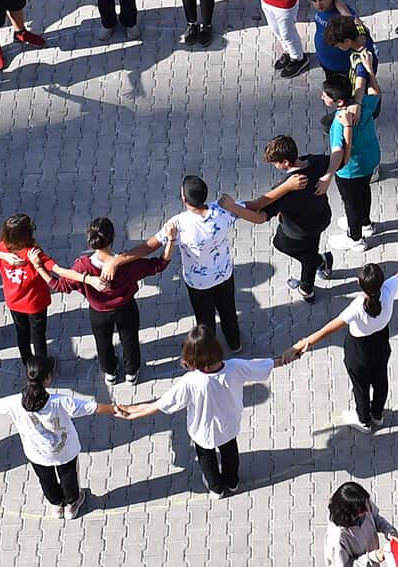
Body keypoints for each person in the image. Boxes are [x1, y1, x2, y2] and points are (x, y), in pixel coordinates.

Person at [112, 329, 286, 497]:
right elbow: (266, 364)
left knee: (206, 458)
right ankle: (232, 482)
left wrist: (132, 411)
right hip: (229, 425)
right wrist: (290, 355)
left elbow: (161, 404)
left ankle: (216, 488)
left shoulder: (191, 381)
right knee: (230, 452)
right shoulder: (235, 367)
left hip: (203, 432)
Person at [283, 248, 398, 431]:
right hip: (381, 344)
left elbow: (327, 329)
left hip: (359, 351)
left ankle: (363, 419)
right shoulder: (388, 289)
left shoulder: (357, 307)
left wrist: (302, 343)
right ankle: (378, 414)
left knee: (361, 387)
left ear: (361, 285)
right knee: (380, 379)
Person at [0, 360, 118, 517]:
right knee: (69, 475)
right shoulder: (61, 401)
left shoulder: (15, 402)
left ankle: (56, 505)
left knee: (45, 478)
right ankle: (72, 504)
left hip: (37, 453)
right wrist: (119, 409)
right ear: (47, 378)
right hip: (66, 451)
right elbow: (95, 407)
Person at [44, 216, 167, 385]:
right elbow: (158, 265)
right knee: (129, 339)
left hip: (99, 312)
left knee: (103, 342)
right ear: (112, 239)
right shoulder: (126, 263)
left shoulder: (82, 266)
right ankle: (132, 372)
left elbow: (60, 286)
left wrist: (39, 267)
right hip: (126, 308)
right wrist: (171, 244)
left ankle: (110, 372)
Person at [222, 135, 337, 303]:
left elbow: (260, 216)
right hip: (321, 219)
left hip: (297, 232)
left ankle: (319, 263)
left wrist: (234, 208)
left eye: (275, 163)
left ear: (285, 163)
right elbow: (340, 157)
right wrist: (328, 175)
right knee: (311, 248)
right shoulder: (315, 161)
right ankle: (307, 288)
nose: (275, 167)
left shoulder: (285, 189)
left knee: (283, 245)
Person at [154, 173, 247, 353]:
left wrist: (120, 259)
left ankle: (210, 349)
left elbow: (150, 245)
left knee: (204, 318)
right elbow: (253, 206)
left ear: (184, 198)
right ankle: (234, 343)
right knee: (228, 310)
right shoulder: (222, 211)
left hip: (198, 284)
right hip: (224, 275)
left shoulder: (178, 223)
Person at [0, 212, 56, 368]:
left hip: (14, 302)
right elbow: (53, 268)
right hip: (36, 303)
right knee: (38, 335)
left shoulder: (0, 248)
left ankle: (27, 364)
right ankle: (42, 368)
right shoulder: (33, 252)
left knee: (22, 333)